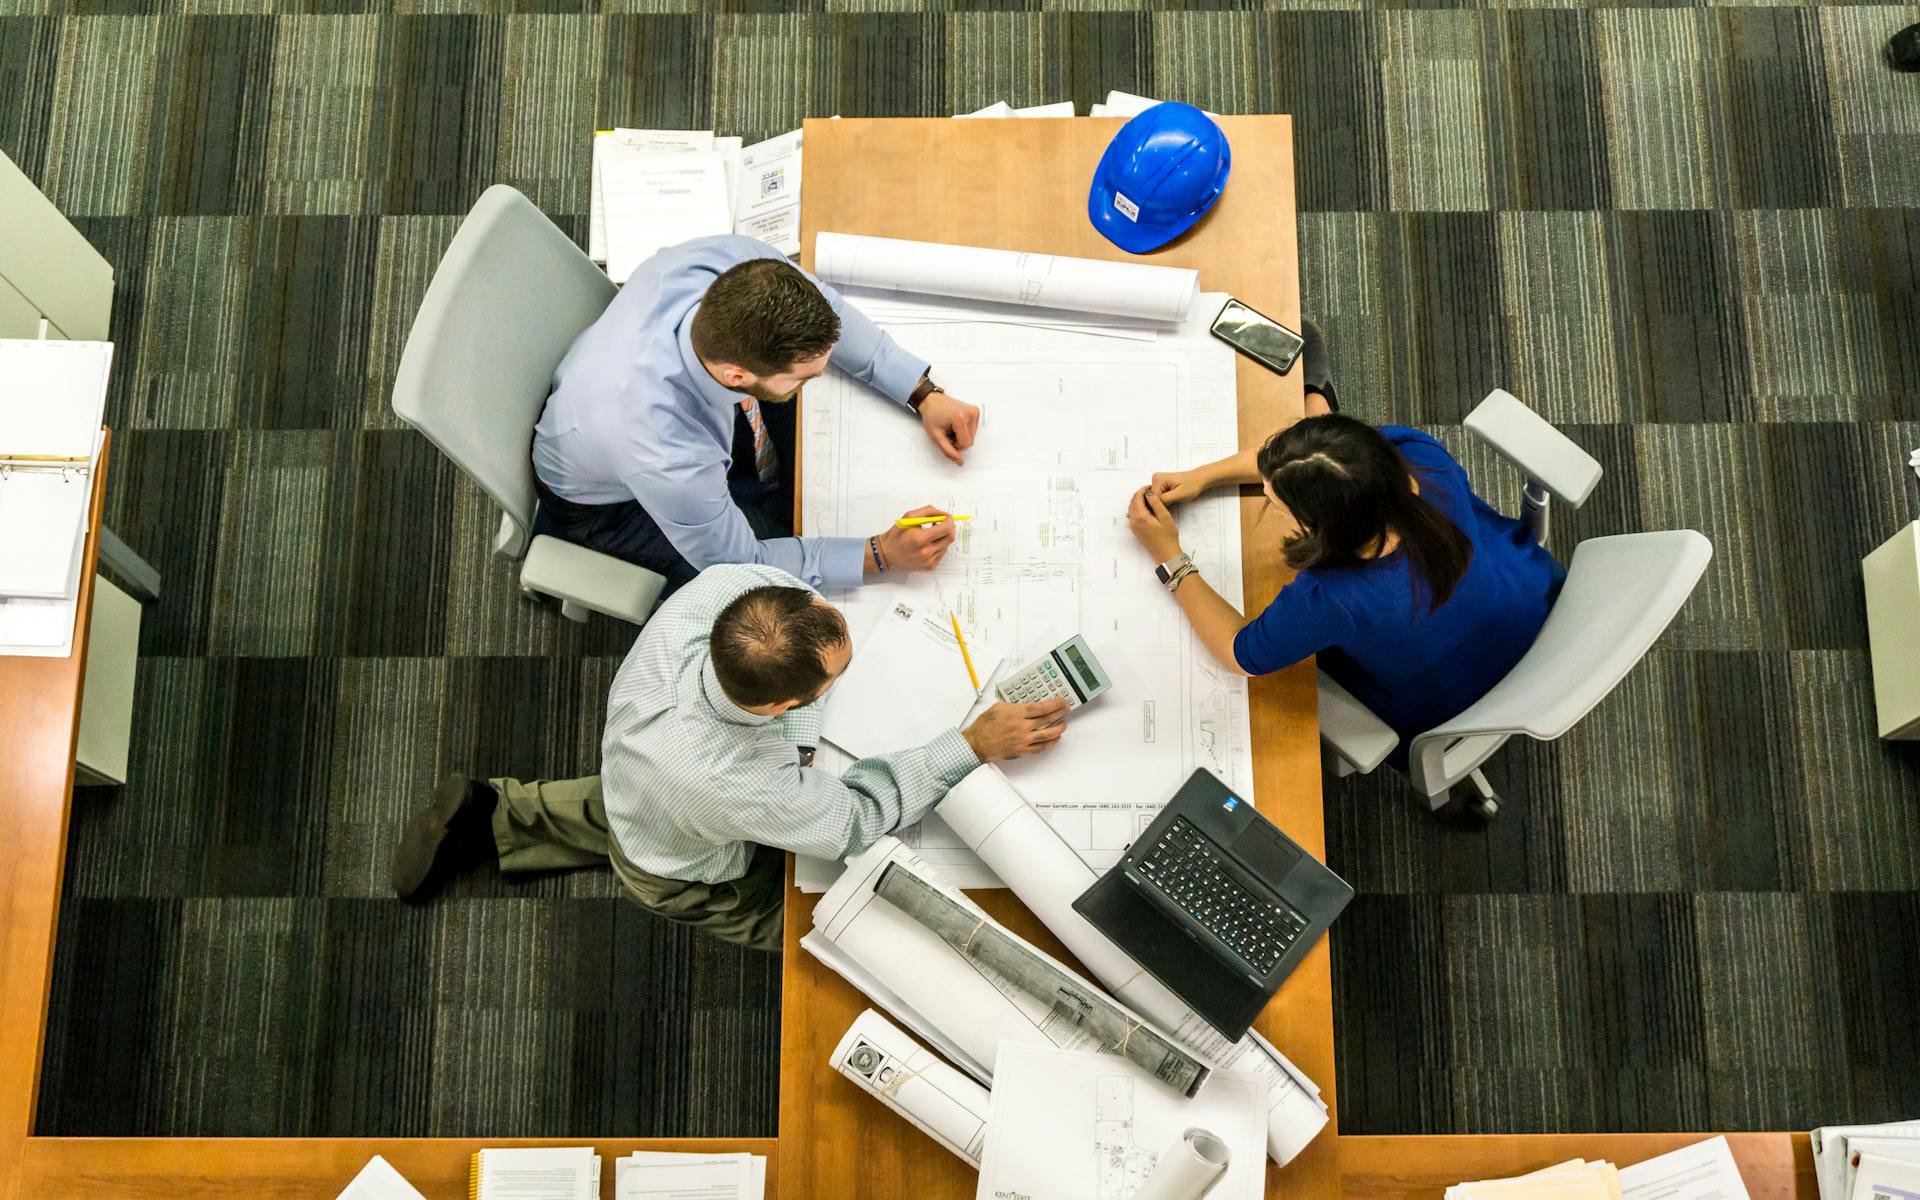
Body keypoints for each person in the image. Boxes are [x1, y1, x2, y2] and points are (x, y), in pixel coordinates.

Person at [389, 564, 1069, 950]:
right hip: (681, 864)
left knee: (633, 802)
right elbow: (854, 821)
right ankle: (509, 823)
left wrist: (802, 734)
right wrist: (971, 743)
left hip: (640, 770)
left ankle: (496, 813)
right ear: (782, 705)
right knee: (820, 926)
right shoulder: (735, 782)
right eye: (834, 681)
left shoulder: (726, 593)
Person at [1124, 324, 1564, 791]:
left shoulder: (1333, 597)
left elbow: (1241, 654)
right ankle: (1317, 407)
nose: (1270, 501)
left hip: (1452, 701)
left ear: (1320, 527)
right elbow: (1315, 460)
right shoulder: (1413, 455)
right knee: (1307, 348)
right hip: (1531, 598)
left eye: (1277, 503)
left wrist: (1170, 557)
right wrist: (1204, 476)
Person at [532, 234, 983, 596]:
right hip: (608, 507)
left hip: (614, 402)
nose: (822, 375)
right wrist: (879, 555)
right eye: (805, 376)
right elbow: (741, 564)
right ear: (736, 374)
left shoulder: (731, 262)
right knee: (776, 598)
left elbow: (832, 311)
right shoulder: (665, 452)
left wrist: (921, 392)